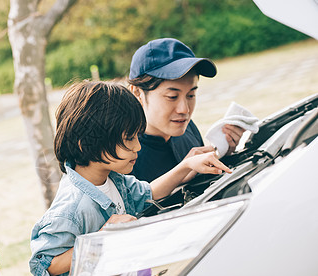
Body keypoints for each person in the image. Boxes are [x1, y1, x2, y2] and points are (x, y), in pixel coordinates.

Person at [29, 81, 231, 276]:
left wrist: (186, 165)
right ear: (87, 143)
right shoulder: (72, 206)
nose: (138, 147)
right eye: (128, 139)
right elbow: (45, 264)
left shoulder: (113, 179)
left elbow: (148, 192)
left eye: (136, 136)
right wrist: (101, 238)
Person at [128, 38, 245, 183]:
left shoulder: (187, 127)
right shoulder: (122, 154)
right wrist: (180, 174)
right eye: (172, 96)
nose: (185, 110)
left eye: (191, 95)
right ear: (138, 93)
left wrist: (222, 154)